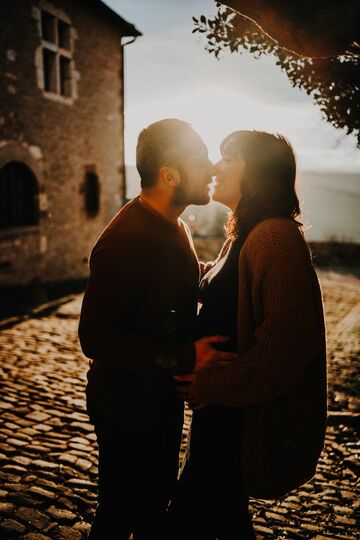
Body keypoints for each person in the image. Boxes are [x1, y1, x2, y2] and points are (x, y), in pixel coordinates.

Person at [77, 118, 236, 539]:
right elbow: (95, 338)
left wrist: (218, 276)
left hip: (157, 402)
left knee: (150, 508)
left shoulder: (174, 224)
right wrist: (185, 357)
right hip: (126, 409)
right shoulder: (125, 240)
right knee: (119, 514)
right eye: (200, 160)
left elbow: (171, 280)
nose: (212, 169)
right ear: (169, 174)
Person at [168, 130, 328, 539]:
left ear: (256, 173)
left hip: (238, 419)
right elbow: (227, 289)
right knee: (221, 519)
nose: (217, 167)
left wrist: (214, 384)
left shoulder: (274, 238)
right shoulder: (244, 233)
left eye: (228, 158)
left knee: (189, 519)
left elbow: (289, 343)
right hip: (222, 415)